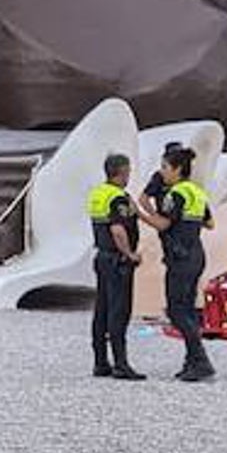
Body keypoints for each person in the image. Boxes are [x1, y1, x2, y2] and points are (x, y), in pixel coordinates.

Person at [138, 147, 217, 381]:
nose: (162, 172)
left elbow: (162, 225)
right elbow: (210, 223)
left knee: (176, 310)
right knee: (188, 310)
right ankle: (191, 360)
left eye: (165, 167)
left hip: (180, 258)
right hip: (196, 255)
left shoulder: (176, 194)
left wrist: (140, 213)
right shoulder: (197, 192)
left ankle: (200, 360)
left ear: (177, 169)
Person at [87, 154, 145, 380]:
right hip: (117, 260)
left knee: (101, 310)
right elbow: (118, 230)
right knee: (119, 312)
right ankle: (121, 364)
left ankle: (100, 362)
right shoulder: (118, 198)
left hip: (102, 257)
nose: (129, 175)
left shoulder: (99, 193)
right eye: (128, 171)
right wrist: (129, 254)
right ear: (121, 172)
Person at [139, 140, 183, 220]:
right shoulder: (159, 176)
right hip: (167, 226)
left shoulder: (187, 177)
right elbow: (143, 199)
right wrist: (156, 216)